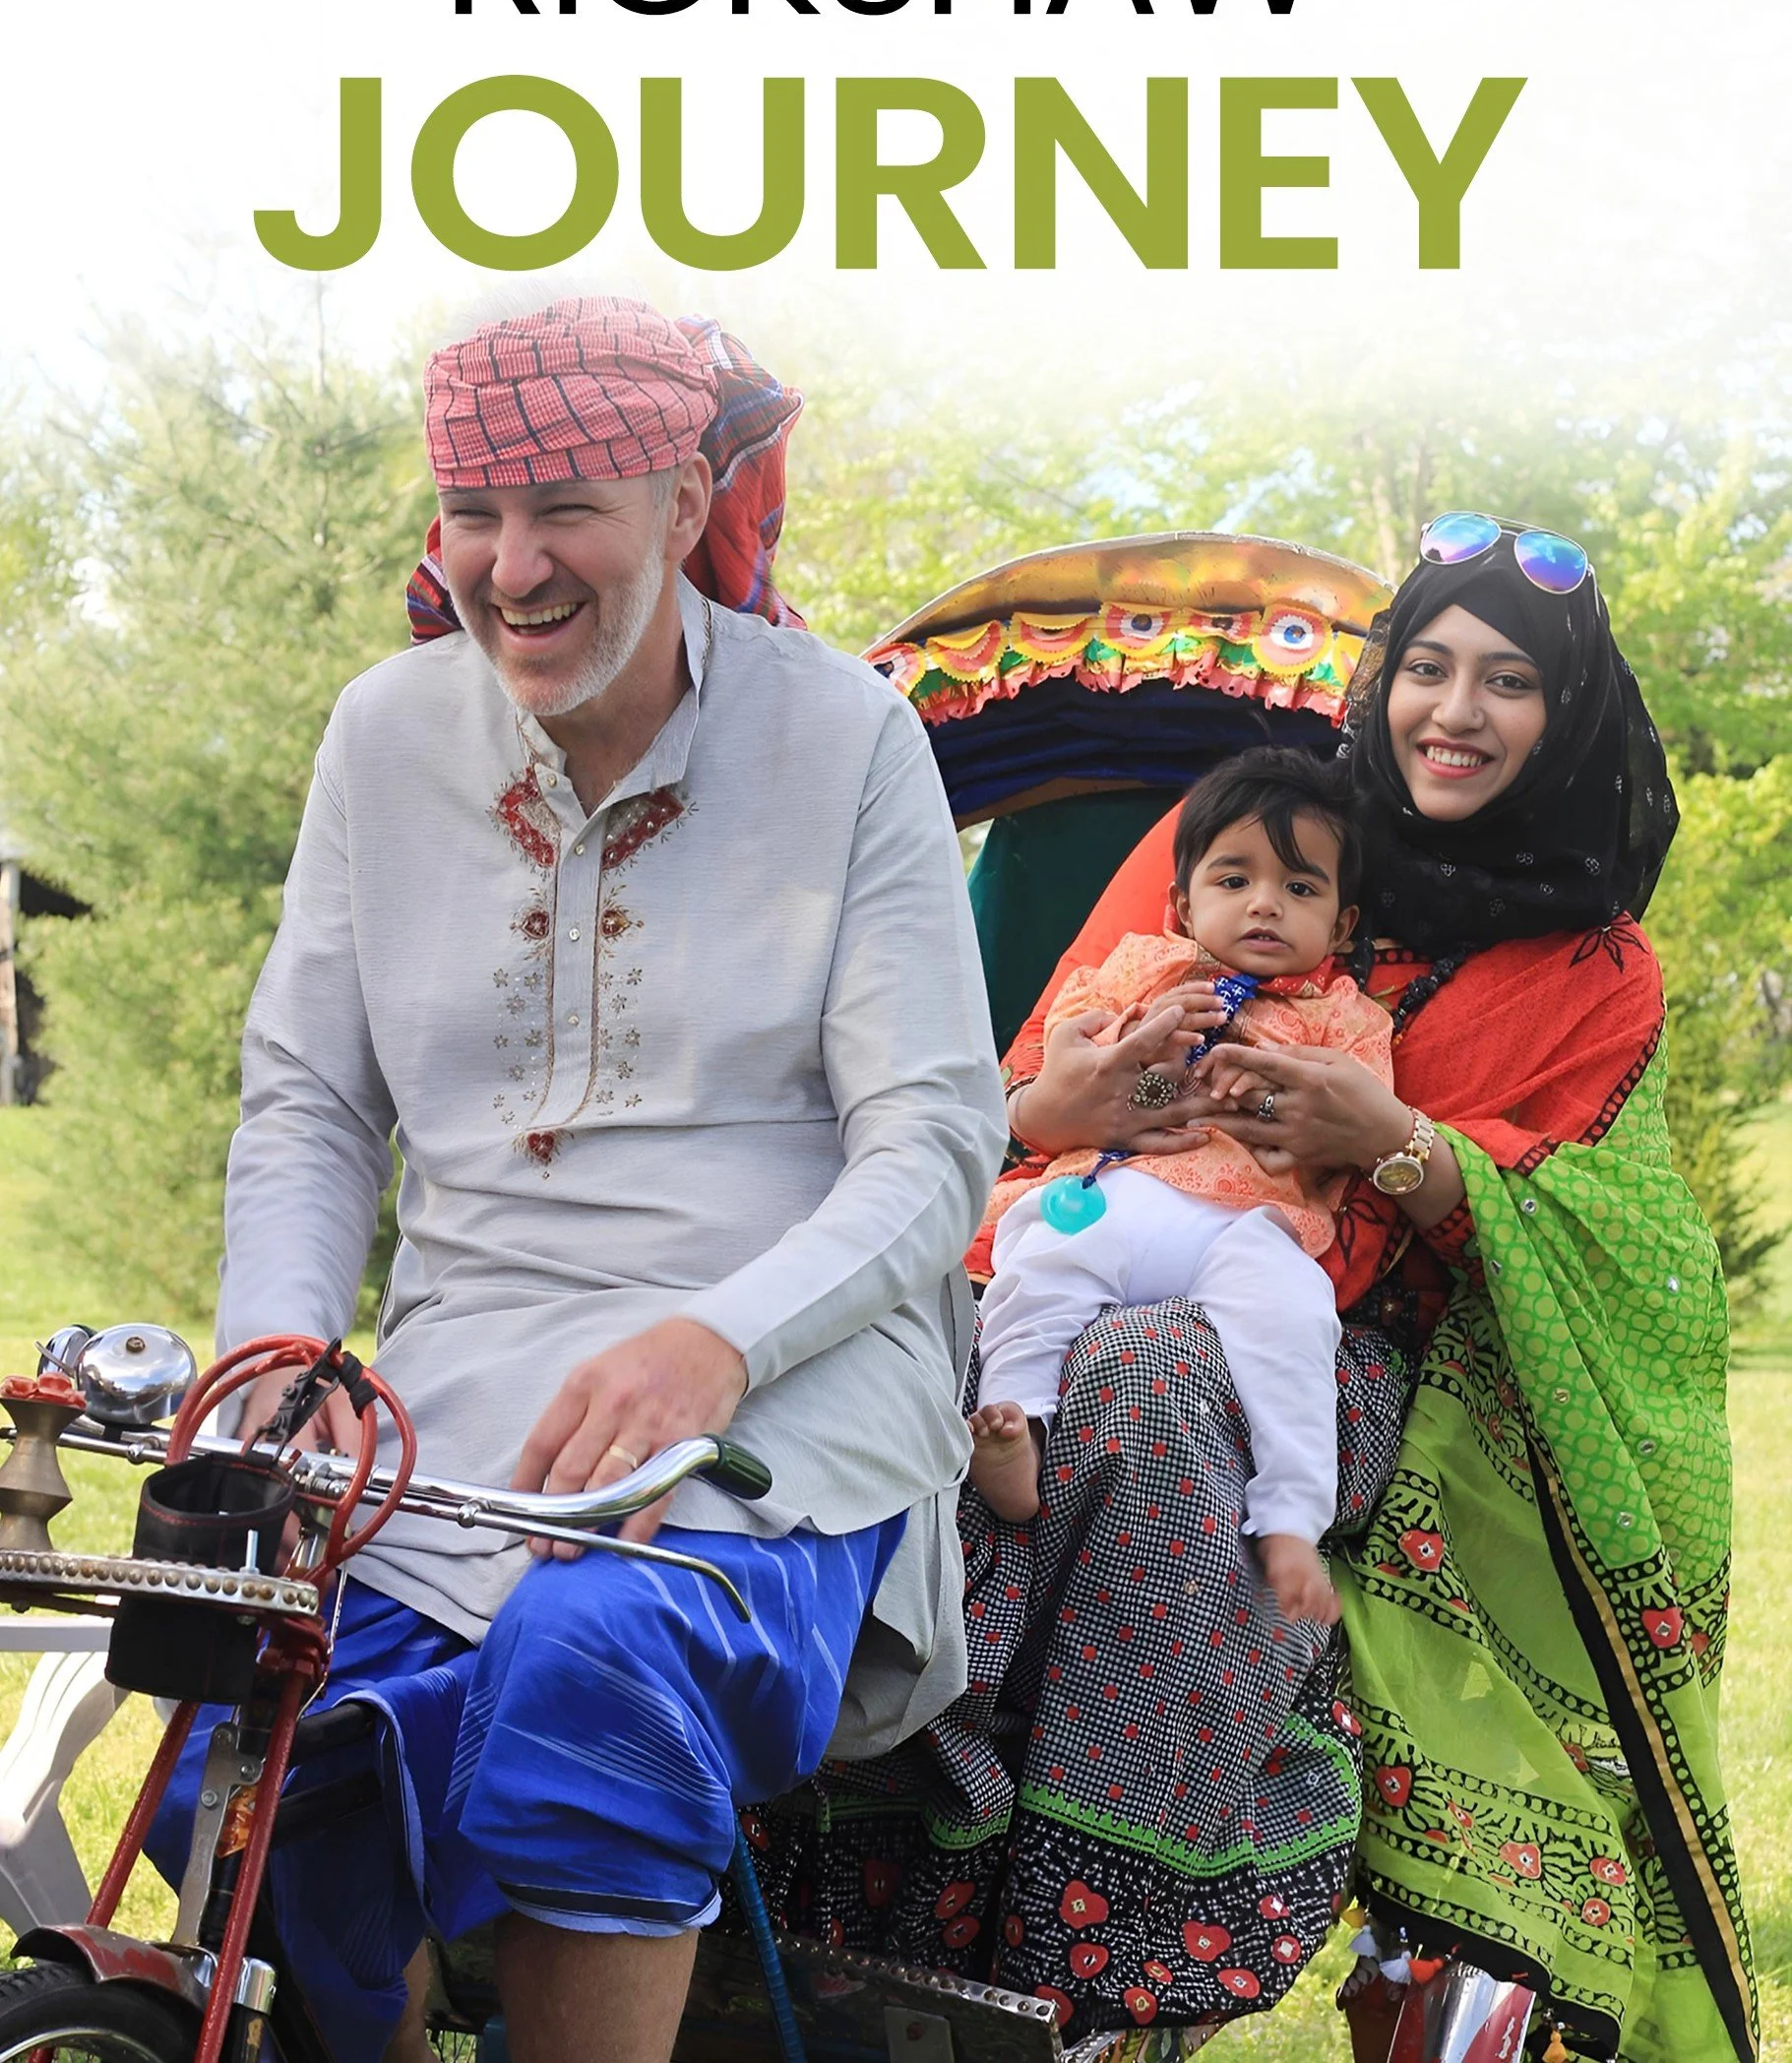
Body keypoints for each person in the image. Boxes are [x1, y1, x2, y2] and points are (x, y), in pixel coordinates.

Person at [146, 295, 1007, 2063]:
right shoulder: (384, 734)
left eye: (565, 511)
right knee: (247, 1708)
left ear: (685, 506)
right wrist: (283, 1358)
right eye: (473, 512)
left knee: (596, 1655)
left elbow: (932, 1143)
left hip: (792, 1374)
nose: (511, 565)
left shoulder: (847, 735)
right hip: (463, 1375)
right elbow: (310, 1103)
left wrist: (716, 1342)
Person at [768, 518, 1750, 2063]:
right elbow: (1017, 1093)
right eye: (1426, 666)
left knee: (1165, 1375)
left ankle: (1099, 1942)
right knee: (932, 1378)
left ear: (1565, 716)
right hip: (1075, 1252)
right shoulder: (1242, 829)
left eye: (1507, 681)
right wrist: (1058, 1105)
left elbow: (1616, 1247)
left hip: (1344, 1358)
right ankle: (858, 1885)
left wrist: (1400, 1146)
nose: (1454, 710)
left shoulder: (1592, 972)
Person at [967, 748, 1394, 1632]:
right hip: (1119, 1194)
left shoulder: (1345, 1016)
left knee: (1293, 1318)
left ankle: (1291, 1514)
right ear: (1182, 903)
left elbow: (1357, 1119)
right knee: (1040, 1265)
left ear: (1342, 924)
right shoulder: (1139, 969)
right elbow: (1067, 1053)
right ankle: (1018, 1420)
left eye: (1300, 888)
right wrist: (1148, 1040)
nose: (1265, 903)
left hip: (1248, 1220)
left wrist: (1273, 1088)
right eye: (1234, 879)